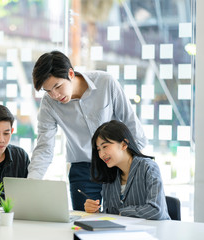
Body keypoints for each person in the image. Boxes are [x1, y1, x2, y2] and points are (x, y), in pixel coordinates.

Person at [28, 50, 147, 211]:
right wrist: (31, 185)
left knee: (124, 218)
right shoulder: (49, 104)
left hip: (118, 163)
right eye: (48, 91)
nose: (54, 95)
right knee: (84, 224)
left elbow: (132, 125)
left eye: (57, 86)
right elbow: (44, 147)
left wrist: (135, 166)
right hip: (83, 170)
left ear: (70, 73)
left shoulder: (105, 82)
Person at [84, 120, 170, 220]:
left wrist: (122, 212)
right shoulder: (109, 175)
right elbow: (110, 214)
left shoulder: (148, 167)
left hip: (154, 232)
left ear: (124, 144)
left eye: (105, 146)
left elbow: (156, 211)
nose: (101, 154)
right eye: (99, 149)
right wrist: (96, 212)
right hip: (123, 233)